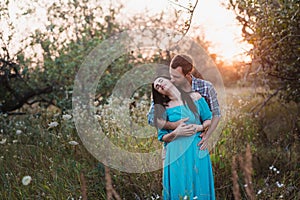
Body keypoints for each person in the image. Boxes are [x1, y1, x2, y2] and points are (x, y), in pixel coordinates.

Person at [152, 76, 215, 199]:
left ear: (169, 79)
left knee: (200, 186)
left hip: (197, 149)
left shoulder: (195, 97)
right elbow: (162, 136)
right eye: (157, 87)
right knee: (179, 188)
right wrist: (177, 132)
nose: (160, 86)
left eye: (160, 81)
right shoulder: (162, 109)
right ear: (159, 93)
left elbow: (209, 119)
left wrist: (200, 127)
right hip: (175, 153)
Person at [148, 54, 221, 150]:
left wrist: (206, 134)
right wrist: (174, 125)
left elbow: (216, 114)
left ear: (188, 74)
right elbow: (151, 118)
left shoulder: (206, 87)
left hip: (198, 142)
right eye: (171, 75)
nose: (172, 79)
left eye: (176, 77)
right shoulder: (166, 87)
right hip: (173, 146)